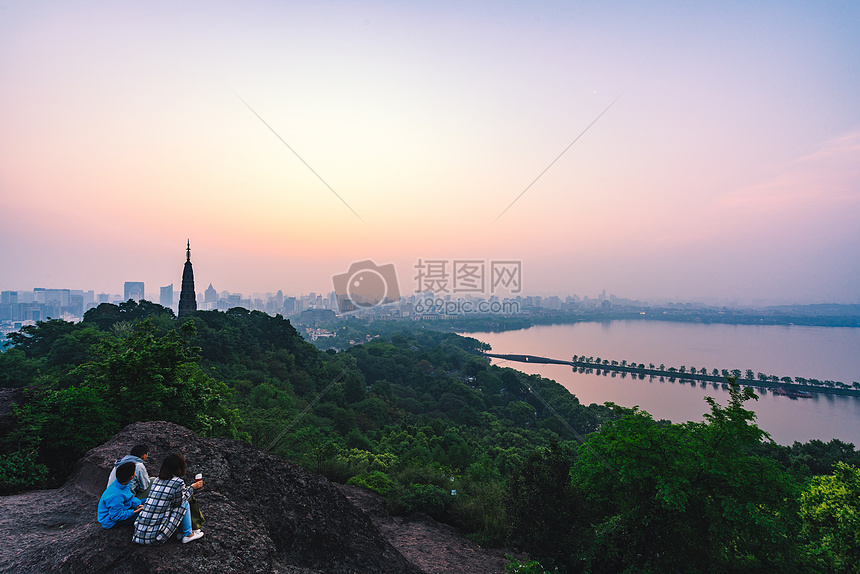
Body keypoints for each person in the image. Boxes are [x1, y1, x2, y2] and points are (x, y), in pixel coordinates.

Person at [132, 453, 203, 545]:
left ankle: (181, 532)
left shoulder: (157, 480)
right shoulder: (177, 482)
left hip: (139, 534)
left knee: (171, 504)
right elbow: (180, 502)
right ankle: (188, 534)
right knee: (184, 503)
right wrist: (193, 488)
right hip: (154, 538)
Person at [97, 461, 143, 529]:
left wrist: (137, 505)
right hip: (111, 521)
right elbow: (116, 516)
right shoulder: (116, 495)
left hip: (121, 509)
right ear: (132, 476)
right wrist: (135, 511)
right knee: (144, 515)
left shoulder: (121, 484)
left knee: (147, 502)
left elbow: (130, 497)